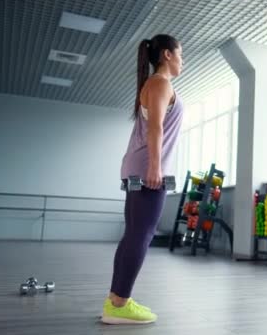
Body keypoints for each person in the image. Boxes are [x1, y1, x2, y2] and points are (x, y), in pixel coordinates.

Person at [102, 34, 184, 325]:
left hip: (135, 168)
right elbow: (156, 128)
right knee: (142, 234)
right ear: (167, 55)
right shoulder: (161, 84)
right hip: (146, 169)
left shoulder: (153, 84)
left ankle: (116, 298)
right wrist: (155, 167)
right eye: (180, 55)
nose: (182, 61)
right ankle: (120, 304)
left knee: (134, 233)